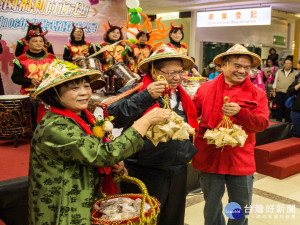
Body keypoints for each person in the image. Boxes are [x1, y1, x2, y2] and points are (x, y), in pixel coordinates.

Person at [28, 60, 171, 224]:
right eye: (75, 88)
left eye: (86, 86)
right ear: (55, 93)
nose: (84, 93)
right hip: (62, 204)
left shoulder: (81, 117)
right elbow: (104, 154)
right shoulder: (55, 127)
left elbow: (89, 151)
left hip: (81, 195)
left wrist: (111, 166)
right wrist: (144, 122)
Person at [108, 45, 198, 225]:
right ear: (155, 71)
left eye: (180, 72)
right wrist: (146, 96)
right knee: (145, 219)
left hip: (177, 169)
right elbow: (113, 115)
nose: (177, 77)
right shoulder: (136, 88)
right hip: (144, 169)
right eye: (171, 73)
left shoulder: (181, 93)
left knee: (173, 219)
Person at [192, 44, 269, 225]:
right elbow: (191, 114)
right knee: (211, 206)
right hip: (209, 157)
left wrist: (241, 113)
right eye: (237, 65)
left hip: (240, 158)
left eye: (247, 67)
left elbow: (262, 124)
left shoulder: (258, 94)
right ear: (223, 65)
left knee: (239, 208)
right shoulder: (205, 89)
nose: (242, 71)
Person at [11, 30, 56, 129]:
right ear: (28, 43)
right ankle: (36, 130)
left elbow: (58, 74)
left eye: (41, 41)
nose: (39, 43)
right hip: (29, 92)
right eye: (35, 41)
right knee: (33, 102)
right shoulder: (21, 60)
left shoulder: (52, 58)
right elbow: (15, 78)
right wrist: (30, 81)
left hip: (49, 90)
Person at [95, 22, 126, 93]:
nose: (116, 34)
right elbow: (96, 59)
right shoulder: (101, 46)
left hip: (121, 72)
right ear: (108, 34)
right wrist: (106, 60)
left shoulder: (124, 46)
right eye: (113, 32)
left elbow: (127, 60)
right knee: (110, 92)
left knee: (121, 92)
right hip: (107, 73)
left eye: (118, 33)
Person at [272, 58, 298, 122]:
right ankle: (278, 122)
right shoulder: (279, 71)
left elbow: (296, 84)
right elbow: (275, 82)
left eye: (290, 63)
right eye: (287, 63)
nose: (288, 65)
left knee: (288, 108)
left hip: (289, 93)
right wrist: (274, 91)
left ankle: (287, 124)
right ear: (284, 64)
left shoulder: (295, 73)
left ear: (291, 65)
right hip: (279, 92)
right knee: (279, 108)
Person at [287, 73, 300, 137]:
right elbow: (289, 91)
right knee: (297, 135)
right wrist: (298, 86)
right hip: (297, 111)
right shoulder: (298, 78)